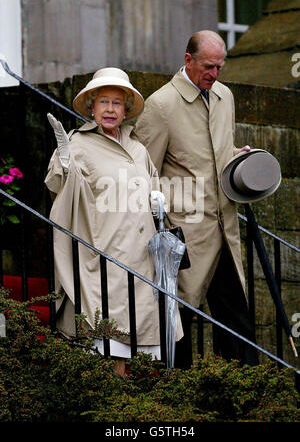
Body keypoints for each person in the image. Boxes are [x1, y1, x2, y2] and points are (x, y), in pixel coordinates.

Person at [45, 67, 182, 376]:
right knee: (111, 346)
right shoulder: (79, 144)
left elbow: (152, 187)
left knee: (142, 349)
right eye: (103, 101)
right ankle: (114, 409)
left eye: (117, 103)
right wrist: (64, 162)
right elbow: (60, 185)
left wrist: (160, 201)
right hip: (105, 254)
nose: (109, 109)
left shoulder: (138, 149)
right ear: (92, 107)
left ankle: (131, 408)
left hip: (142, 258)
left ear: (125, 111)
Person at [135, 30, 259, 369]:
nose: (214, 74)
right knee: (180, 321)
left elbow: (215, 155)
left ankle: (245, 398)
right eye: (208, 66)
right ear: (188, 60)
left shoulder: (225, 97)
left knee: (237, 321)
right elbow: (143, 172)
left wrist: (239, 159)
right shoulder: (161, 105)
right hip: (185, 234)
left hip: (226, 228)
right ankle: (179, 397)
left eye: (220, 67)